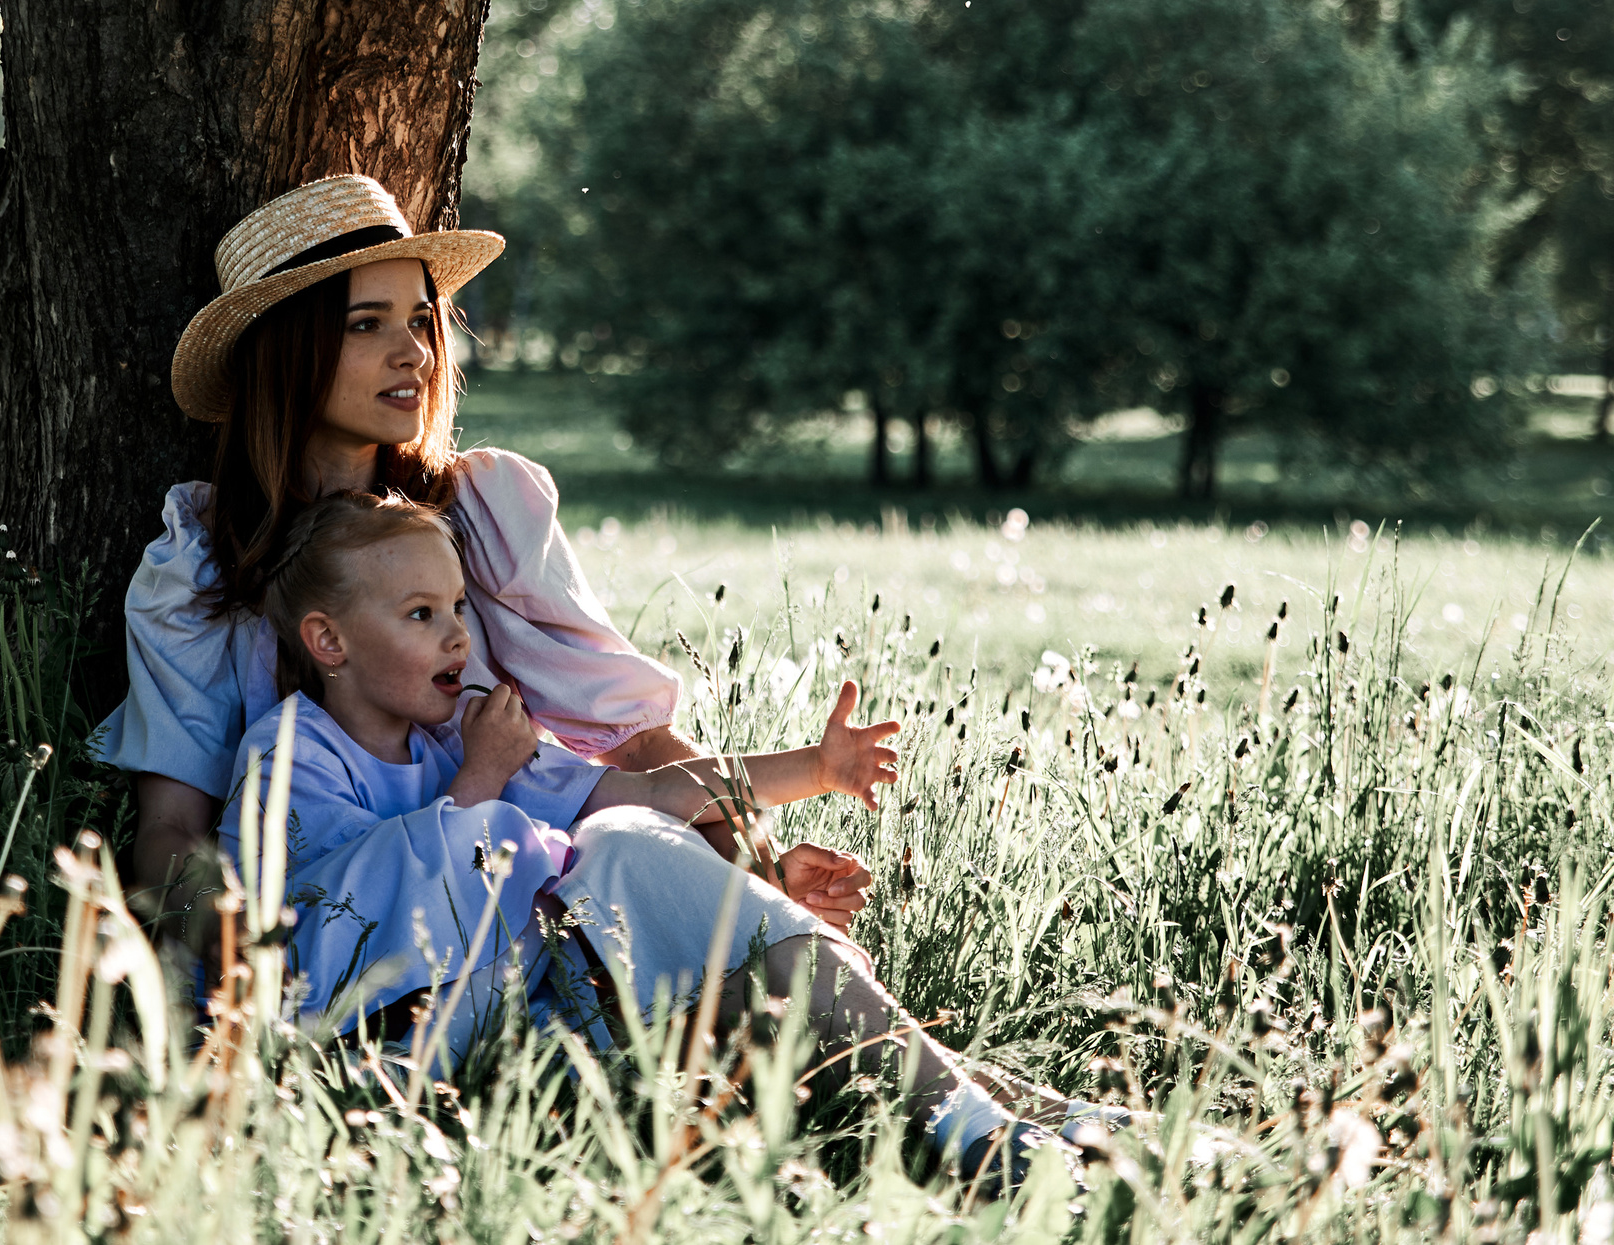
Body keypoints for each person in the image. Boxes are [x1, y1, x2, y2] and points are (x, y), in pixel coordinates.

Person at [94, 174, 873, 936]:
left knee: (634, 855)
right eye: (367, 324)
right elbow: (171, 826)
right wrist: (250, 955)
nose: (415, 353)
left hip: (517, 905)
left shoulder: (482, 513)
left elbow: (636, 743)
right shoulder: (201, 562)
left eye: (419, 319)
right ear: (286, 352)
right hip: (323, 927)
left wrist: (759, 872)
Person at [229, 488, 1077, 1183]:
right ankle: (991, 1124)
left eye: (457, 605)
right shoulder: (295, 754)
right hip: (431, 1053)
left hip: (564, 1002)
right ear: (328, 640)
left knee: (639, 842)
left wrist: (814, 766)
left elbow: (650, 791)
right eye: (421, 613)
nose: (457, 632)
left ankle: (1014, 1119)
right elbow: (341, 928)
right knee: (725, 953)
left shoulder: (457, 734)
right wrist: (483, 779)